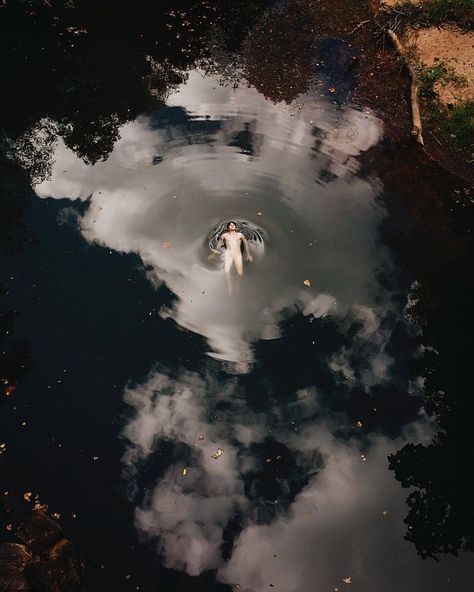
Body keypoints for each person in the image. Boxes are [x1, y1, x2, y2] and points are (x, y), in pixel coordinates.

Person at [214, 221, 253, 293]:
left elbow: (246, 244)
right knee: (226, 271)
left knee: (240, 274)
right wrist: (214, 253)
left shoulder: (240, 235)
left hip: (238, 255)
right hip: (228, 254)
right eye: (231, 225)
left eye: (233, 225)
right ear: (228, 227)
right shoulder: (225, 235)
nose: (232, 226)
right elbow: (219, 244)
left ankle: (238, 286)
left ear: (236, 227)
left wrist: (248, 254)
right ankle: (230, 287)